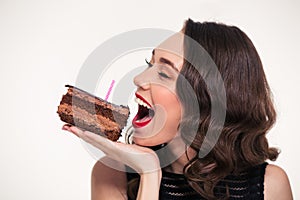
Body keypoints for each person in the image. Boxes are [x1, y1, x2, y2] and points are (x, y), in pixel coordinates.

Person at [62, 19, 293, 199]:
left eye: (163, 73)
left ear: (207, 100)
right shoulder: (112, 175)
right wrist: (150, 173)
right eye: (149, 64)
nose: (139, 79)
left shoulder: (270, 186)